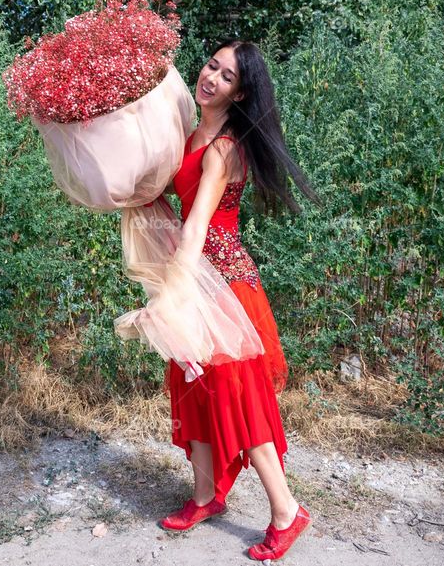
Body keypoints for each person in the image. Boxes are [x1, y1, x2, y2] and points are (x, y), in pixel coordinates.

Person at [155, 39, 322, 561]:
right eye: (211, 65)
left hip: (223, 285)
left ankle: (287, 512)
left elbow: (200, 222)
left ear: (240, 91)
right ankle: (207, 496)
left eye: (226, 76)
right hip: (193, 272)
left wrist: (176, 294)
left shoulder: (224, 147)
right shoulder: (186, 134)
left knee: (237, 398)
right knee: (194, 384)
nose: (211, 78)